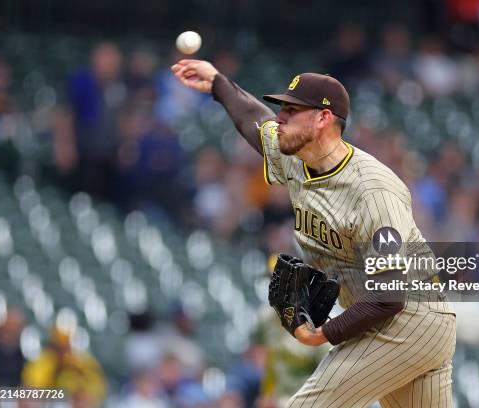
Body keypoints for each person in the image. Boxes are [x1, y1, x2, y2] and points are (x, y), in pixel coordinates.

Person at [172, 59, 456, 407]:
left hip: (409, 321)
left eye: (292, 110)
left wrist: (322, 333)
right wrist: (217, 83)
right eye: (282, 109)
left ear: (322, 118)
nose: (281, 118)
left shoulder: (373, 191)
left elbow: (389, 296)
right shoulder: (298, 158)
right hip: (393, 321)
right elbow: (254, 121)